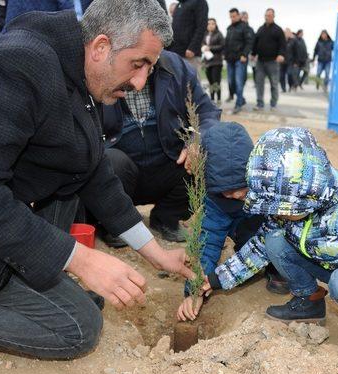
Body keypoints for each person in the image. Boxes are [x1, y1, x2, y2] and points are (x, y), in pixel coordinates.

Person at [0, 0, 193, 374]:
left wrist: (155, 252)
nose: (141, 82)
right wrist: (81, 259)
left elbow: (92, 169)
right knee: (76, 329)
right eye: (138, 64)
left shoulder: (73, 67)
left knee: (68, 184)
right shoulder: (13, 66)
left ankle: (31, 281)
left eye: (149, 68)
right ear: (100, 47)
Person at [201, 127, 338, 368]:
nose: (279, 213)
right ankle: (310, 301)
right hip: (326, 260)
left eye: (285, 208)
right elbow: (260, 245)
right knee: (273, 238)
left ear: (310, 193)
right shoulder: (285, 199)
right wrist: (218, 278)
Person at [95, 48, 221, 246]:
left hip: (168, 164)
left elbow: (208, 113)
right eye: (136, 65)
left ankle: (166, 218)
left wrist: (197, 140)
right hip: (121, 177)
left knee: (206, 154)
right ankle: (116, 222)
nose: (141, 78)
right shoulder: (101, 66)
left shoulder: (176, 67)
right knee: (111, 161)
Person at [176, 122, 288, 320]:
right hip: (245, 232)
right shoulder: (215, 199)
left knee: (274, 236)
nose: (236, 194)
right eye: (227, 190)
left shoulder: (268, 186)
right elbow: (208, 241)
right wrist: (194, 290)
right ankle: (247, 264)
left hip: (270, 232)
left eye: (242, 186)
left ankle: (276, 267)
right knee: (242, 231)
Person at [252, 8, 285, 111]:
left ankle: (273, 104)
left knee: (274, 84)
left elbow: (283, 45)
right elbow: (255, 43)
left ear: (273, 16)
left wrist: (281, 54)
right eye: (266, 15)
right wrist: (253, 54)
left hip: (273, 62)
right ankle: (260, 104)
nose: (267, 17)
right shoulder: (260, 29)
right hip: (260, 61)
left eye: (269, 15)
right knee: (259, 84)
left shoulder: (278, 30)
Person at [224, 7, 252, 113]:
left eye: (234, 16)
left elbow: (249, 42)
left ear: (239, 15)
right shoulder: (229, 28)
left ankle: (238, 104)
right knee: (231, 83)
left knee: (239, 82)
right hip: (230, 59)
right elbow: (226, 43)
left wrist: (244, 54)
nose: (232, 18)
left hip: (240, 59)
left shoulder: (245, 27)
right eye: (231, 16)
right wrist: (224, 55)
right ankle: (242, 99)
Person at [168, 0, 208, 73]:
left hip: (189, 53)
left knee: (191, 82)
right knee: (177, 82)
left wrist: (193, 47)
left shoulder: (199, 2)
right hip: (176, 52)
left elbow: (201, 26)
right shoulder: (179, 5)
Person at [202, 18, 224, 104]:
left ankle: (218, 99)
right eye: (209, 23)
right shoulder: (205, 35)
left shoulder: (219, 34)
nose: (210, 25)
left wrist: (210, 48)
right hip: (207, 62)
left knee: (216, 81)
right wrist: (203, 47)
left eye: (212, 23)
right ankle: (211, 99)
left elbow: (222, 46)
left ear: (215, 25)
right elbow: (202, 44)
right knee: (210, 81)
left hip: (216, 61)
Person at [280, 28, 295, 93]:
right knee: (281, 76)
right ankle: (283, 88)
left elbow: (296, 51)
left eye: (287, 32)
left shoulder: (293, 41)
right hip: (282, 61)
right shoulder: (281, 41)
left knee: (289, 74)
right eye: (285, 32)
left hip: (290, 61)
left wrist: (296, 61)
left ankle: (290, 85)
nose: (286, 34)